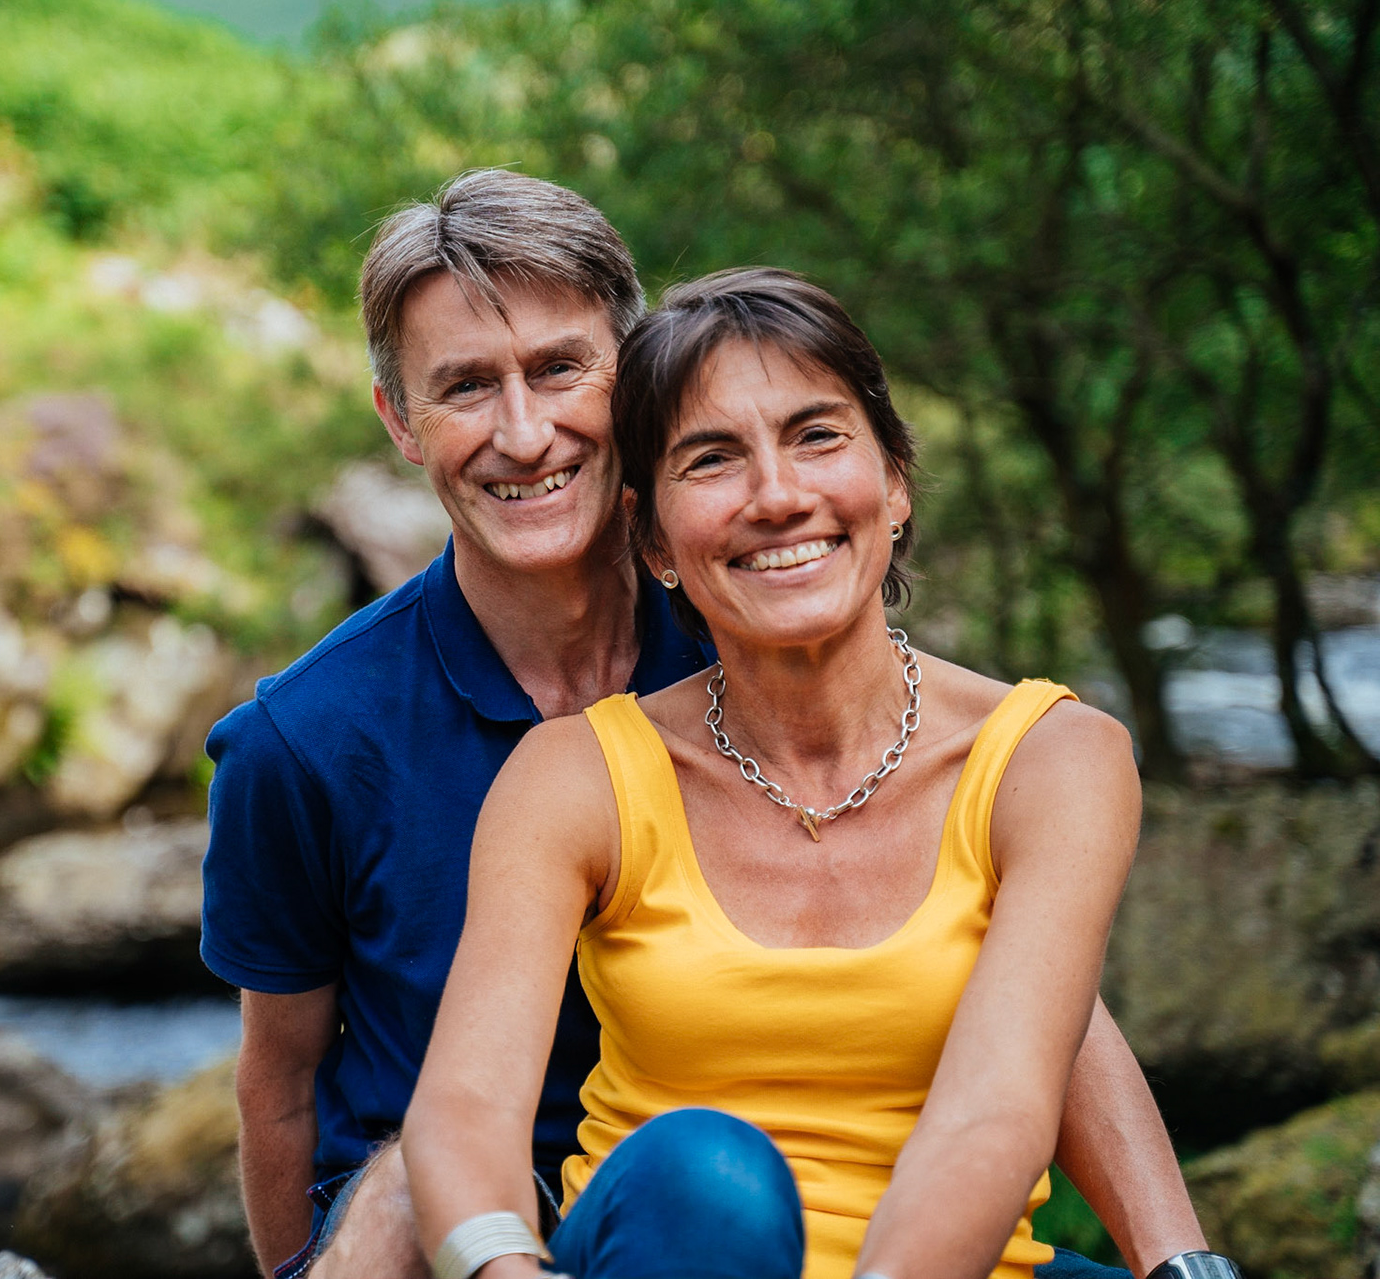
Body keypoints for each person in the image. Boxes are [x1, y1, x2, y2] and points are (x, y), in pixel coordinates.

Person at [201, 173, 1206, 1279]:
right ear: (400, 420)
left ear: (630, 382)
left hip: (838, 1209)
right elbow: (280, 1080)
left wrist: (1180, 1259)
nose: (525, 432)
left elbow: (1010, 988)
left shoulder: (761, 624)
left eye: (557, 368)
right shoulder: (306, 739)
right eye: (468, 388)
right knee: (418, 1187)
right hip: (511, 1206)